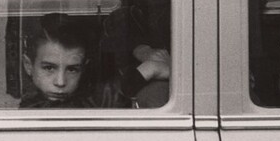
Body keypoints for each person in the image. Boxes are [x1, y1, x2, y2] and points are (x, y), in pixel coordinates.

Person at [19, 13, 170, 109]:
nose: (60, 82)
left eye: (72, 69)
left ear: (84, 68)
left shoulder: (82, 94)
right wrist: (146, 70)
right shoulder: (29, 107)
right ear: (28, 65)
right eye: (49, 68)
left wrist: (140, 50)